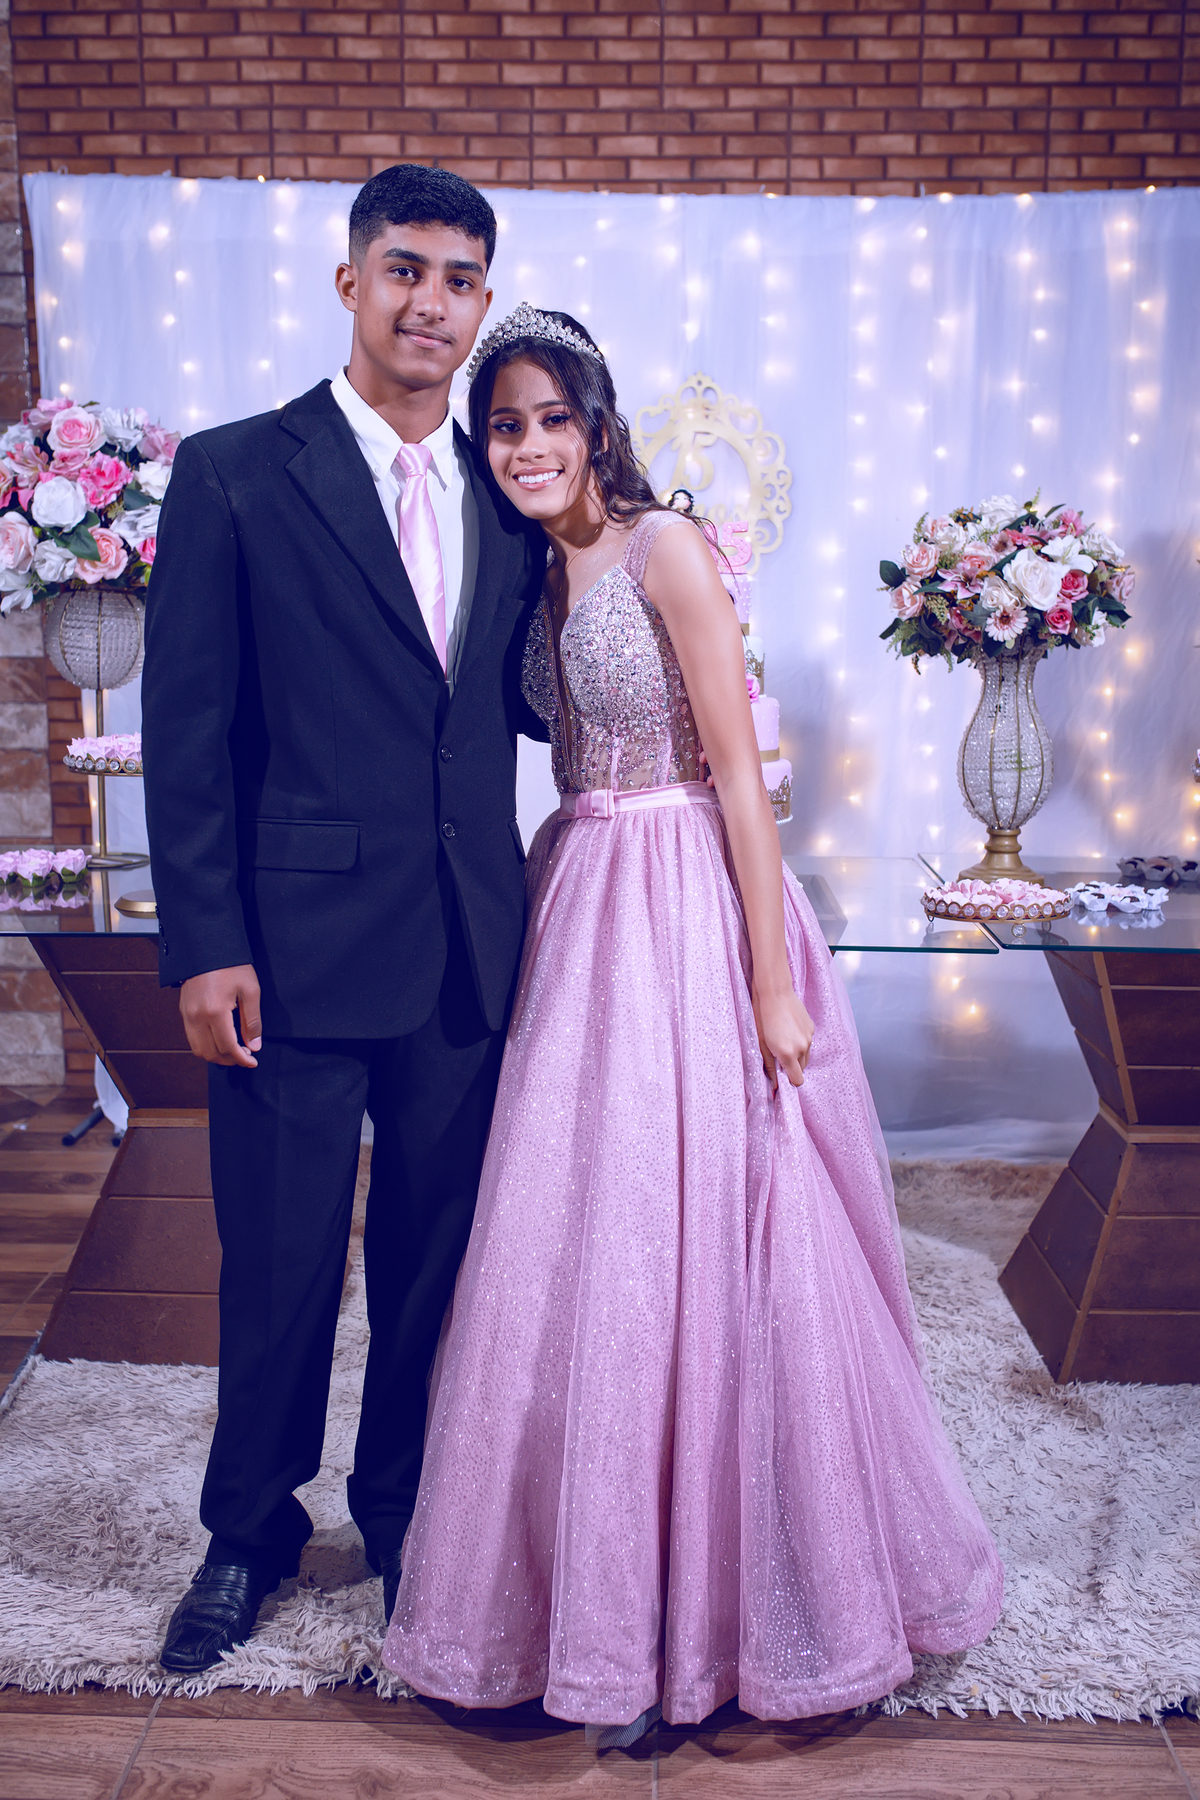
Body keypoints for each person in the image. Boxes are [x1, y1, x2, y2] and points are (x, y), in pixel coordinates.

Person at [381, 306, 1004, 1737]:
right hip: (578, 892)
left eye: (552, 419)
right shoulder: (525, 568)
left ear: (598, 425)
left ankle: (724, 1619)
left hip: (682, 896)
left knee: (707, 1228)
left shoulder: (666, 548)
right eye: (505, 426)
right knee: (577, 1237)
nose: (529, 446)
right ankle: (592, 1610)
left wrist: (773, 981)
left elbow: (737, 774)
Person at [141, 167, 548, 1675]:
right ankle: (247, 1532)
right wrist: (204, 945)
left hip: (468, 952)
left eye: (460, 278)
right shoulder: (239, 472)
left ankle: (405, 1519)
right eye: (405, 269)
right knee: (281, 1266)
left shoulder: (512, 488)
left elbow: (519, 702)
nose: (431, 302)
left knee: (438, 1270)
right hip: (289, 961)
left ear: (484, 302)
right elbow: (188, 731)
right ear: (351, 282)